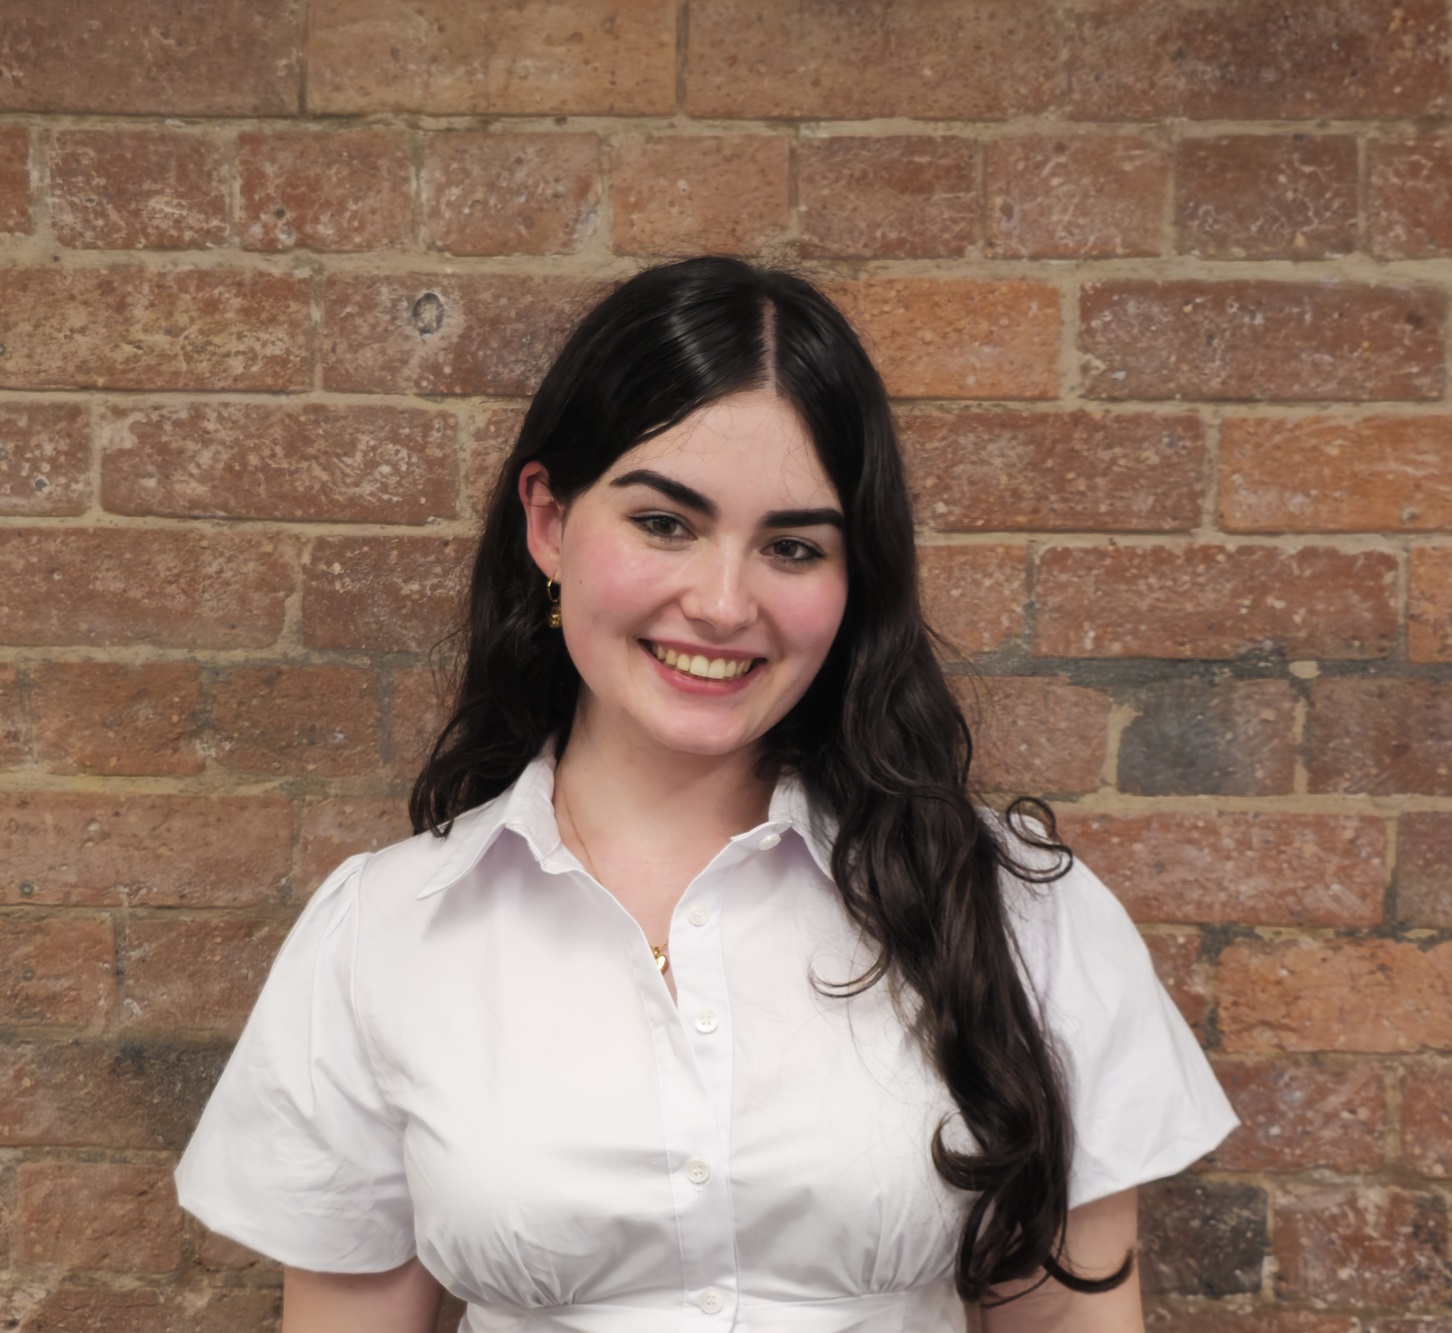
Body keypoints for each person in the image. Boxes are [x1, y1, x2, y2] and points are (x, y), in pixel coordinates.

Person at [176, 256, 1238, 1333]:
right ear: (548, 522)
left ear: (852, 577)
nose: (724, 604)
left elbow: (1064, 1318)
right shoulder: (381, 935)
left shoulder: (1016, 909)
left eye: (792, 546)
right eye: (665, 524)